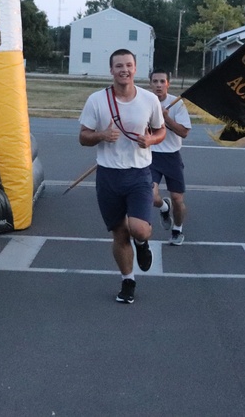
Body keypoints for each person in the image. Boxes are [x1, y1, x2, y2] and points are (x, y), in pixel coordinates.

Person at [79, 49, 166, 304]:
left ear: (135, 69)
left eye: (128, 65)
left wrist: (151, 139)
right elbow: (83, 136)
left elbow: (161, 131)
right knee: (119, 233)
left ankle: (142, 244)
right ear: (111, 70)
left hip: (139, 173)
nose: (124, 70)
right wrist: (101, 136)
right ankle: (128, 280)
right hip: (108, 176)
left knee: (139, 229)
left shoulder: (149, 100)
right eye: (119, 66)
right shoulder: (97, 100)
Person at [149, 68, 192, 246]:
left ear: (168, 83)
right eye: (155, 81)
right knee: (150, 195)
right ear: (150, 83)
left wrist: (166, 118)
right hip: (151, 156)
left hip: (172, 156)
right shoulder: (144, 101)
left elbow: (184, 132)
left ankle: (178, 229)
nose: (158, 85)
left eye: (162, 81)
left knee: (178, 199)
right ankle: (164, 207)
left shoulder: (177, 103)